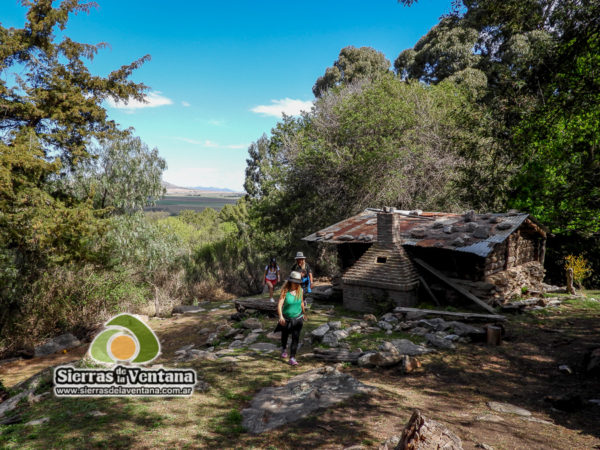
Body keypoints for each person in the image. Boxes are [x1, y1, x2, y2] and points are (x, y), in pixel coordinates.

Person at [275, 271, 306, 366]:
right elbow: (280, 305)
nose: (297, 284)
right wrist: (280, 316)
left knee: (295, 338)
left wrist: (304, 313)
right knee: (285, 334)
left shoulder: (300, 290)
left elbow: (301, 303)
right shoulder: (285, 291)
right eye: (295, 282)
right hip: (286, 318)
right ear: (291, 282)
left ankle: (292, 357)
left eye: (298, 282)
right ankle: (284, 348)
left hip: (298, 318)